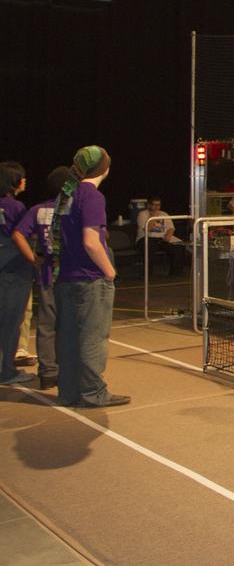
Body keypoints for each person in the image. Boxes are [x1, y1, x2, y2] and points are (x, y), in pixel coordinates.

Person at [50, 146, 129, 407]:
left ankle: (69, 392)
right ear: (103, 168)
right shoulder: (92, 196)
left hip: (66, 279)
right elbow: (92, 242)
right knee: (93, 338)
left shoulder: (67, 195)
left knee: (69, 337)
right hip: (89, 279)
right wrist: (109, 271)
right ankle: (93, 392)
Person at [12, 167, 71, 389]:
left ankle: (47, 372)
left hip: (47, 275)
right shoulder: (72, 209)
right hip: (70, 276)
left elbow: (18, 234)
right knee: (70, 325)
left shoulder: (37, 210)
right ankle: (67, 368)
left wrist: (33, 259)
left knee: (47, 325)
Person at [0, 161, 34, 385]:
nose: (25, 181)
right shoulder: (15, 207)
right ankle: (7, 370)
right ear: (14, 181)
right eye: (22, 177)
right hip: (12, 268)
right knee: (12, 320)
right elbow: (20, 236)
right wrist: (35, 260)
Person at [135, 197, 186, 276]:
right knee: (149, 247)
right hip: (146, 238)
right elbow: (147, 228)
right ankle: (148, 274)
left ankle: (175, 273)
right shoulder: (142, 214)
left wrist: (168, 235)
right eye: (154, 205)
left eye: (158, 205)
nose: (156, 207)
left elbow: (171, 228)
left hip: (161, 238)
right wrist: (154, 216)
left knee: (179, 246)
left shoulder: (164, 214)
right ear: (149, 205)